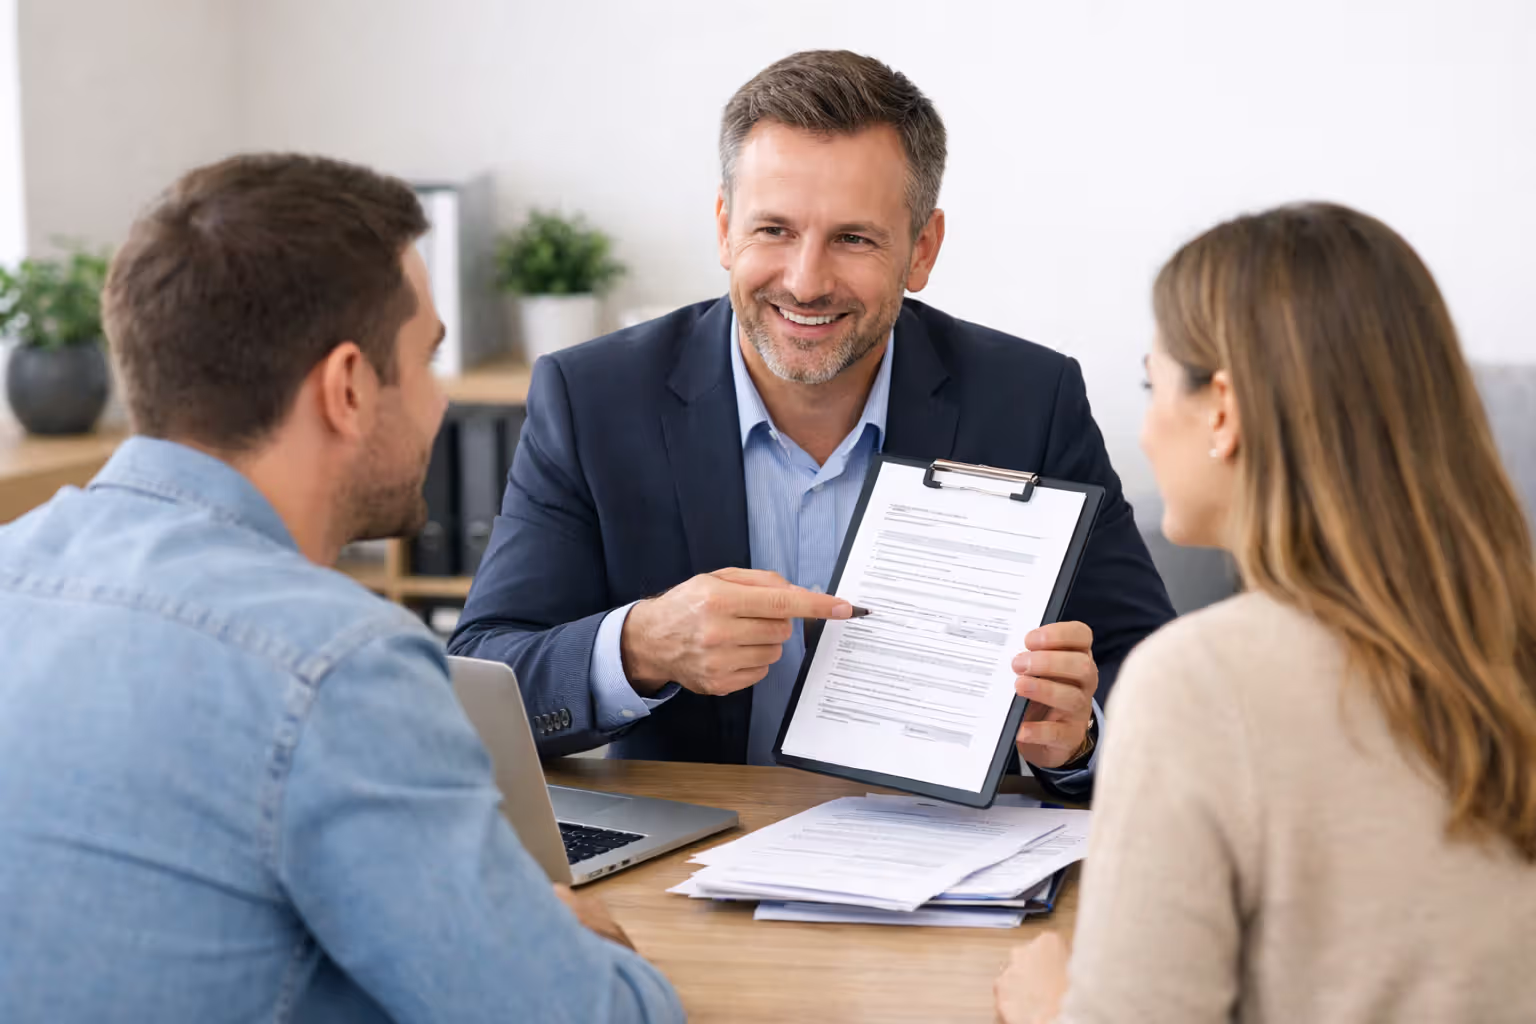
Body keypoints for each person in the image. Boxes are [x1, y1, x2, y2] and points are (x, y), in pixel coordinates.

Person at [0, 154, 683, 1023]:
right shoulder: (339, 669)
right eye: (427, 360)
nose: (438, 404)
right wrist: (579, 943)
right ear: (349, 388)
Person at [449, 50, 1173, 795]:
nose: (805, 281)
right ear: (726, 226)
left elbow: (1150, 672)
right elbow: (482, 677)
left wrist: (1080, 737)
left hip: (941, 865)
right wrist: (641, 645)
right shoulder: (592, 397)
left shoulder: (1027, 398)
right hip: (686, 874)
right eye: (774, 230)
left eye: (853, 238)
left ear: (922, 249)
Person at [995, 202, 1536, 1023]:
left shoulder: (1200, 680)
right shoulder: (1506, 638)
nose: (1141, 432)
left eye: (1152, 384)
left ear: (1224, 408)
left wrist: (1051, 1008)